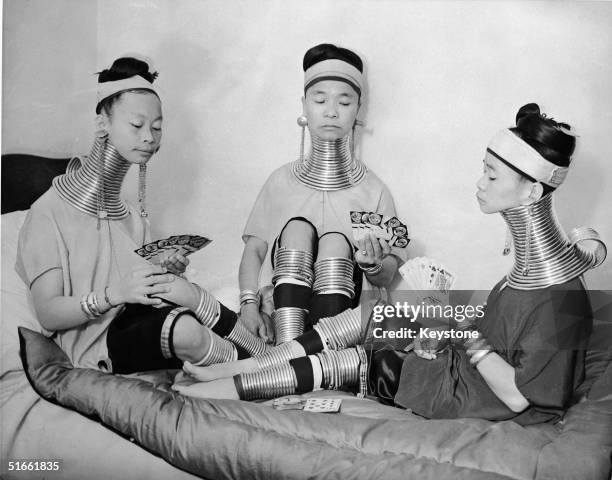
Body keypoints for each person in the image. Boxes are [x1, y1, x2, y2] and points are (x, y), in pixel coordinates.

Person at [174, 103, 606, 426]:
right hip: (446, 363)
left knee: (351, 365)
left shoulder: (559, 301)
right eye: (484, 170)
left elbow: (515, 397)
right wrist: (436, 324)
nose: (480, 182)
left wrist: (457, 328)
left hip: (450, 392)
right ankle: (245, 365)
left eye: (492, 176)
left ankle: (214, 389)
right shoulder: (526, 276)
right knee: (374, 314)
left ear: (531, 193)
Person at [16, 57, 266, 374]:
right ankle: (263, 366)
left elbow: (145, 294)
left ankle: (267, 357)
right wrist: (113, 294)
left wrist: (167, 272)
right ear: (102, 124)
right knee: (187, 331)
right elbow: (48, 313)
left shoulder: (133, 218)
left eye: (157, 127)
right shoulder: (47, 213)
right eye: (137, 125)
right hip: (96, 347)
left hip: (138, 325)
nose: (149, 136)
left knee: (182, 293)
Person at [234, 43, 405, 350]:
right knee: (297, 231)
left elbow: (388, 274)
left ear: (357, 109)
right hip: (279, 317)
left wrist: (374, 265)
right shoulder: (279, 181)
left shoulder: (374, 190)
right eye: (319, 99)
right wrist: (248, 304)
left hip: (346, 324)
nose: (330, 111)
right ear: (304, 106)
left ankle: (312, 358)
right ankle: (291, 350)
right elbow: (255, 250)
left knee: (336, 243)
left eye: (344, 101)